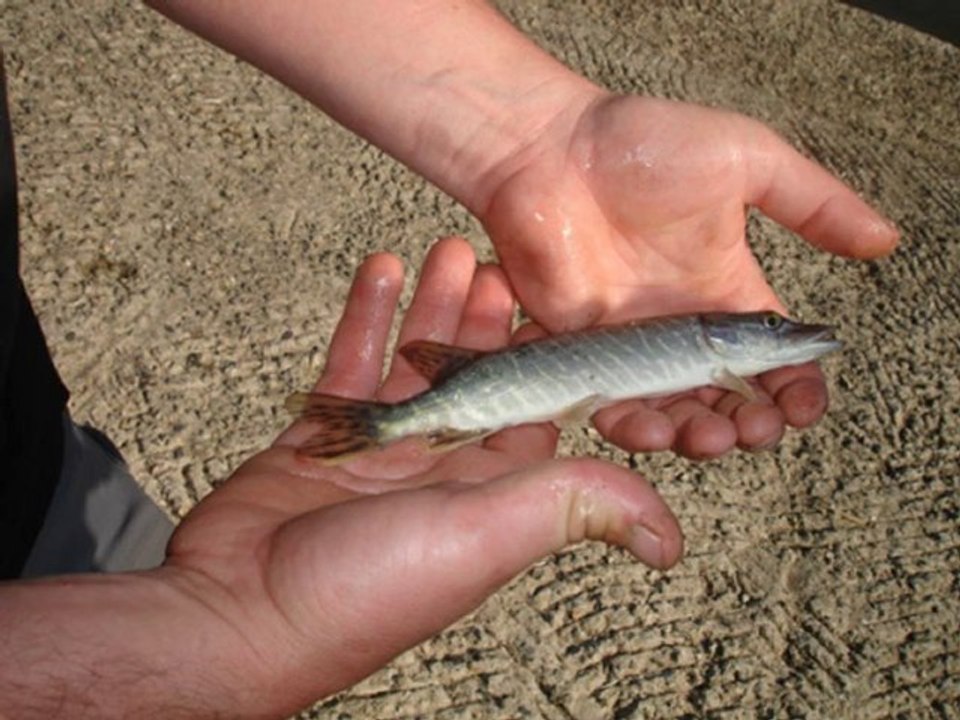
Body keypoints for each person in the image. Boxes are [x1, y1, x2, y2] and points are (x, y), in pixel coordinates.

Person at [0, 1, 897, 716]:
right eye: (773, 334)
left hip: (39, 471)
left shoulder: (707, 345)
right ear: (729, 343)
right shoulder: (711, 347)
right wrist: (227, 644)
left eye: (773, 336)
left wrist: (541, 137)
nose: (783, 337)